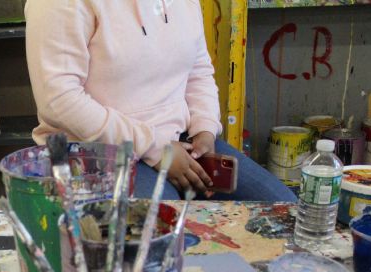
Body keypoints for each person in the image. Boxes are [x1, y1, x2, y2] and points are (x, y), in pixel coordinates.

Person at [24, 0, 296, 202]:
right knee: (158, 244)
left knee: (285, 211)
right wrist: (156, 148)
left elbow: (198, 70)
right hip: (98, 154)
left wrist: (205, 129)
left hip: (180, 143)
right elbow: (59, 100)